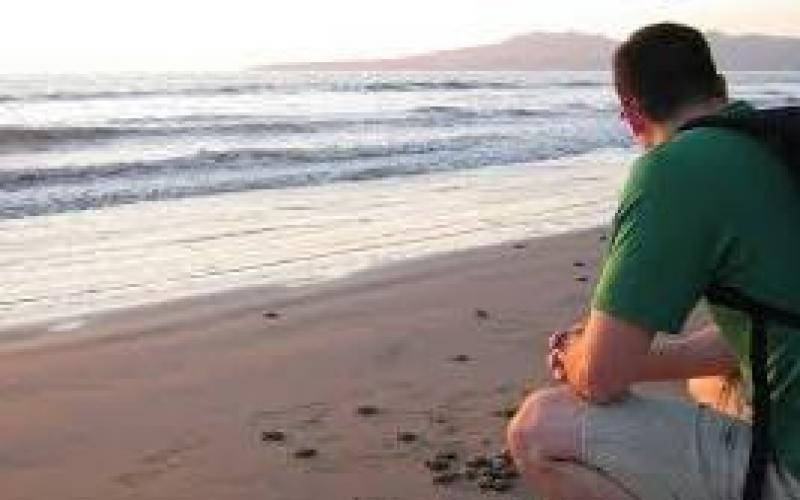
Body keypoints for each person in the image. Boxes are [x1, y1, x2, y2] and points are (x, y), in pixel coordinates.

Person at [505, 23, 800, 500]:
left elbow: (601, 378)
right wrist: (634, 361)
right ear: (721, 88)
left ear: (632, 115)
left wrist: (576, 355)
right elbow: (765, 325)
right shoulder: (780, 143)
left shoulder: (676, 170)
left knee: (537, 429)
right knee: (708, 381)